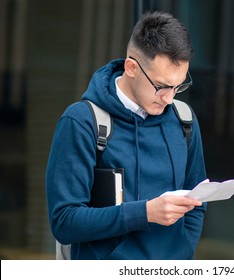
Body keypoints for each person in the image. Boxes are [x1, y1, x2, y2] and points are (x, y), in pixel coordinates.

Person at [45, 11, 207, 260]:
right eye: (162, 86)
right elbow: (65, 221)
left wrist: (183, 253)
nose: (169, 97)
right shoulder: (82, 122)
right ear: (131, 67)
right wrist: (145, 213)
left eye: (179, 86)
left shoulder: (184, 119)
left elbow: (197, 200)